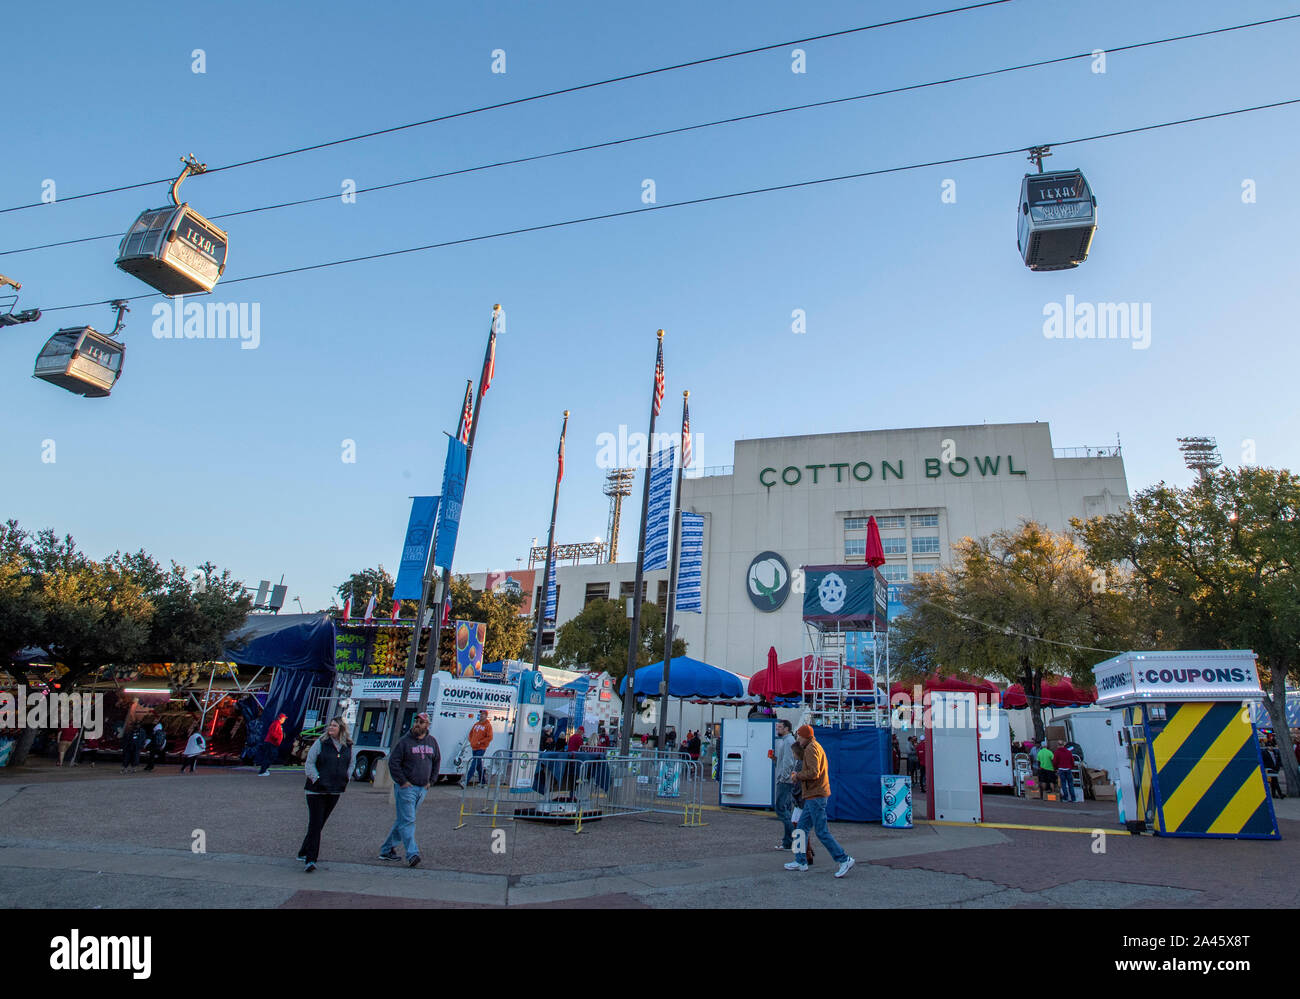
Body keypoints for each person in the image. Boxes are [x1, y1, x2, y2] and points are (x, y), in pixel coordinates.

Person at [787, 726, 854, 876]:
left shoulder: (810, 749)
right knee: (800, 829)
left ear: (805, 736)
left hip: (815, 795)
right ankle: (800, 861)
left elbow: (814, 772)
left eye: (799, 736)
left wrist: (797, 776)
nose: (798, 739)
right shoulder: (815, 746)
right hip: (815, 795)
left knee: (821, 831)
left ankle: (844, 859)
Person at [380, 712, 440, 868]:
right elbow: (394, 763)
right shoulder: (404, 742)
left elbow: (436, 761)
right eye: (416, 721)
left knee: (403, 820)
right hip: (407, 788)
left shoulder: (432, 742)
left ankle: (386, 849)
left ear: (427, 725)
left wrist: (431, 781)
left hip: (422, 788)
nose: (417, 724)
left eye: (421, 722)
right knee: (408, 820)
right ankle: (412, 854)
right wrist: (403, 781)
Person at [299, 717, 353, 873]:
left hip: (335, 789)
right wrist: (316, 778)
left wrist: (346, 777)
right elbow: (310, 762)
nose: (331, 727)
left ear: (341, 728)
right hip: (316, 790)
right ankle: (310, 859)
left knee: (320, 822)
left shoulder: (347, 746)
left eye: (335, 725)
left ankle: (304, 850)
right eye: (330, 725)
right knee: (315, 823)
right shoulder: (321, 743)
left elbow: (351, 763)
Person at [772, 720, 797, 852]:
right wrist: (776, 760)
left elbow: (788, 761)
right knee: (786, 808)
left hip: (784, 780)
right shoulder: (789, 741)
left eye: (780, 727)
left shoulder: (788, 742)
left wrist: (783, 777)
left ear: (787, 728)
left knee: (781, 808)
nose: (778, 729)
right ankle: (790, 840)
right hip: (787, 779)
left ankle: (789, 840)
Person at [465, 710, 493, 786]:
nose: (481, 715)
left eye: (483, 714)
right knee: (478, 765)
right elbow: (471, 733)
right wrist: (471, 741)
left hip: (481, 748)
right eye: (481, 714)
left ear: (486, 716)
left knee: (474, 763)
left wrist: (480, 742)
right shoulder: (476, 724)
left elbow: (490, 737)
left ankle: (466, 781)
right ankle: (483, 781)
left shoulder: (488, 725)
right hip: (474, 747)